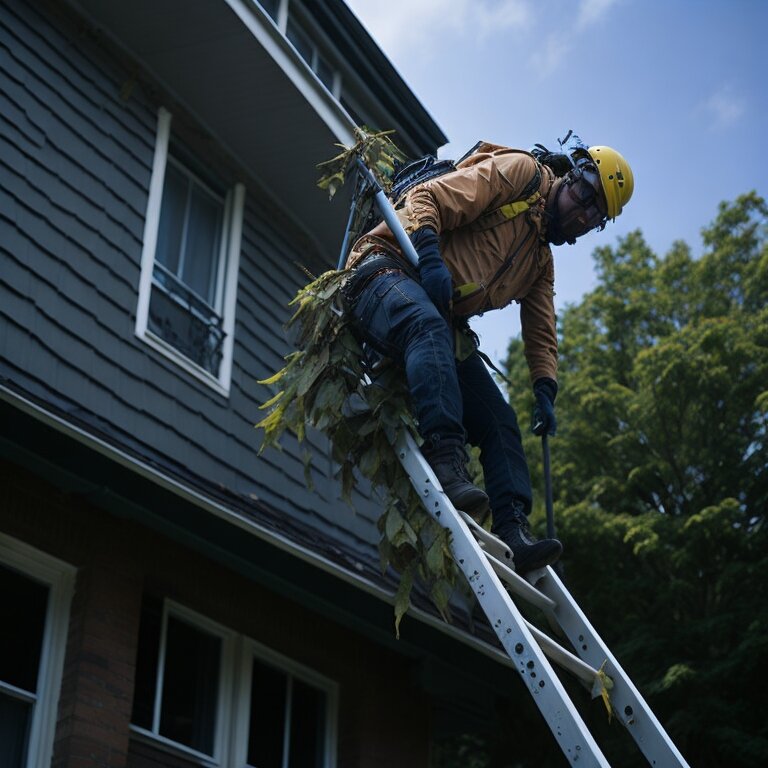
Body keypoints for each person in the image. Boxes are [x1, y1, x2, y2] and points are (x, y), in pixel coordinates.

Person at [341, 139, 634, 574]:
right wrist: (430, 253)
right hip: (385, 267)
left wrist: (545, 387)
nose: (581, 214)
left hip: (437, 315)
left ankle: (514, 527)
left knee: (498, 419)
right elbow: (427, 198)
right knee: (426, 327)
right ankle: (446, 459)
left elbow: (541, 326)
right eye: (584, 196)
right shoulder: (520, 174)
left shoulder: (539, 260)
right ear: (570, 175)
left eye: (594, 216)